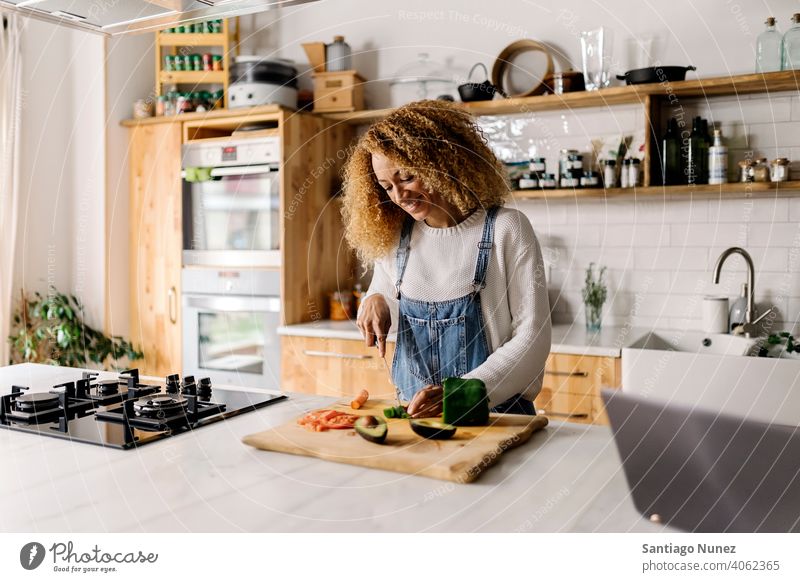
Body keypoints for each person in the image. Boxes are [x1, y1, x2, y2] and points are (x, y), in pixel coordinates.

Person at [341, 100, 551, 418]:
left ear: (443, 161)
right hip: (419, 418)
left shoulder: (507, 229)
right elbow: (387, 295)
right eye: (387, 187)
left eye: (408, 177)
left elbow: (533, 338)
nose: (399, 196)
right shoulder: (396, 237)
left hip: (496, 415)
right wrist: (374, 301)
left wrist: (461, 395)